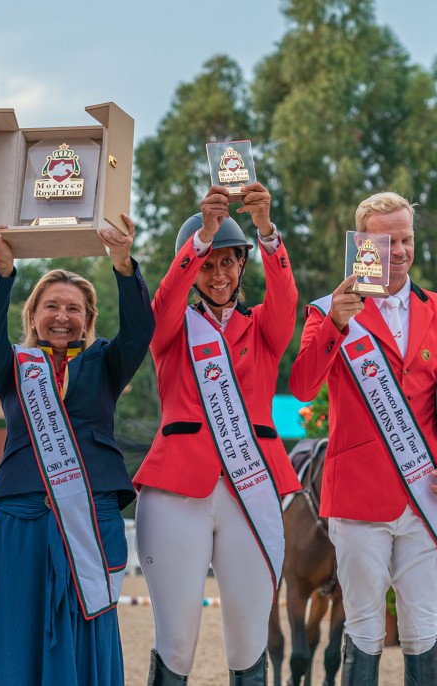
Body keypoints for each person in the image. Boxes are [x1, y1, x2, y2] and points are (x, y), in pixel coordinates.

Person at [289, 191, 437, 685]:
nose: (399, 251)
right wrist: (336, 325)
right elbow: (301, 385)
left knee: (421, 630)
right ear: (360, 246)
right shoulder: (328, 310)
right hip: (357, 497)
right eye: (386, 242)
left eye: (406, 239)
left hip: (428, 494)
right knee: (364, 628)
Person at [0, 217, 153, 685]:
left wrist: (122, 263)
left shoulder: (105, 363)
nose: (60, 316)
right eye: (50, 305)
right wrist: (4, 269)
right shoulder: (14, 366)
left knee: (87, 627)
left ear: (88, 319)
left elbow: (140, 330)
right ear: (32, 315)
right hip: (24, 515)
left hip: (89, 517)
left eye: (73, 308)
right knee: (18, 629)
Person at [133, 183, 301, 684]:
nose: (219, 274)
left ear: (242, 266)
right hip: (176, 489)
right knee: (177, 640)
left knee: (249, 640)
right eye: (208, 264)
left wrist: (267, 232)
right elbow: (161, 303)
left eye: (228, 263)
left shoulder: (264, 328)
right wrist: (201, 238)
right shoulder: (172, 327)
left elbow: (287, 298)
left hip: (252, 484)